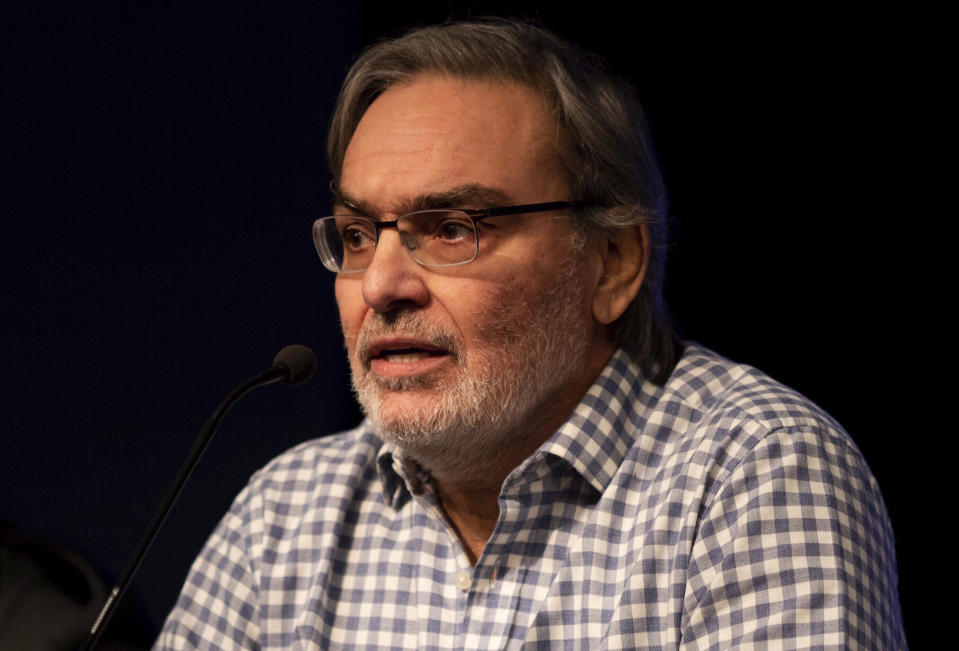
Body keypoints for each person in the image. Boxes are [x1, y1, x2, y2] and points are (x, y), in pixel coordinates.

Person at [155, 19, 905, 649]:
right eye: (357, 235)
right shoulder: (285, 516)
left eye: (451, 228)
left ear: (611, 261)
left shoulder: (750, 475)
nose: (380, 285)